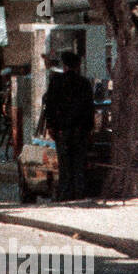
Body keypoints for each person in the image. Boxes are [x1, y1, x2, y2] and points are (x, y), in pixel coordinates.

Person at [44, 51, 95, 200]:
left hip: (62, 130)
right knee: (78, 164)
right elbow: (89, 109)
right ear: (78, 66)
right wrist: (88, 129)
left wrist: (51, 126)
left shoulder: (56, 81)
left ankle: (65, 193)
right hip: (80, 131)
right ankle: (78, 193)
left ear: (64, 65)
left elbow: (50, 105)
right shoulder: (84, 83)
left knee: (64, 165)